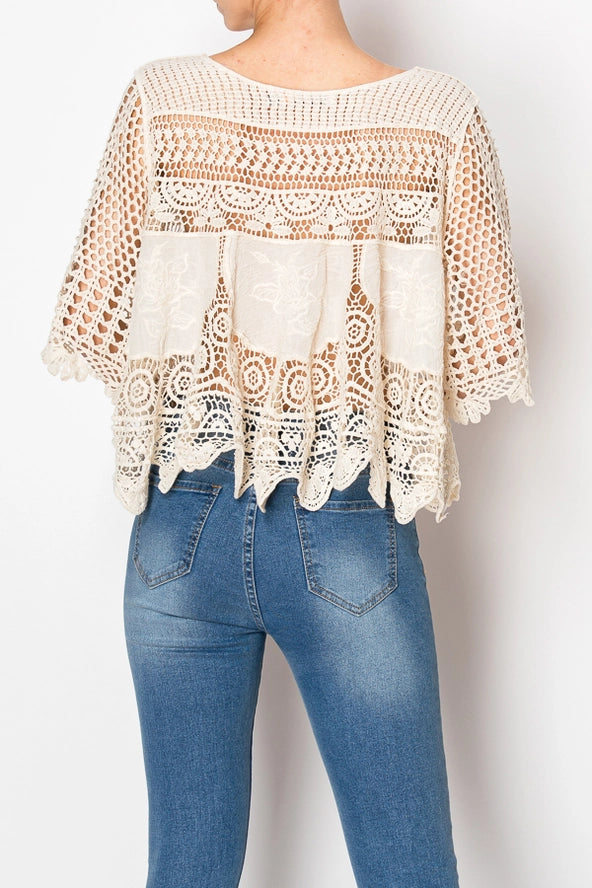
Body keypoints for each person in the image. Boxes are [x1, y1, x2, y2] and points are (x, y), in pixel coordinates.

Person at [40, 1, 534, 886]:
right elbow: (483, 350)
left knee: (185, 870)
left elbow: (103, 325)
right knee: (410, 869)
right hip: (348, 530)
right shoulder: (436, 121)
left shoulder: (162, 103)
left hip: (177, 532)